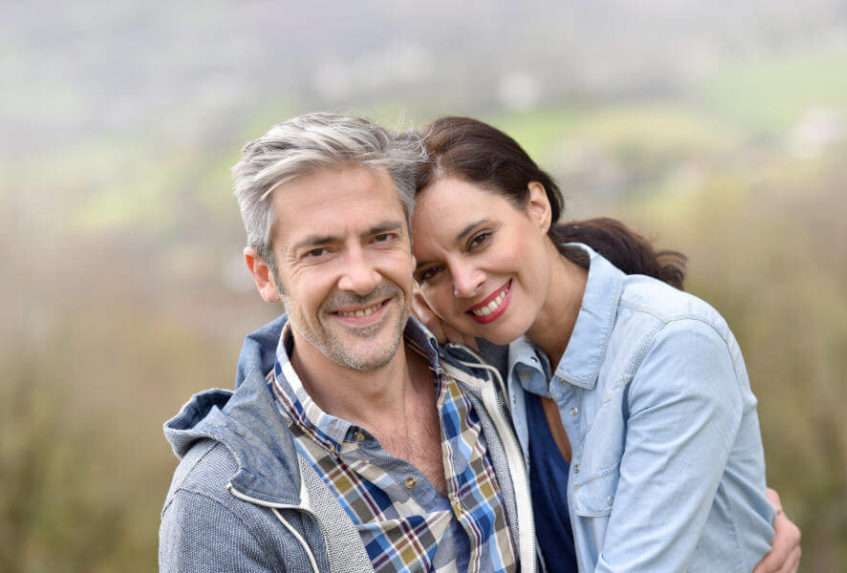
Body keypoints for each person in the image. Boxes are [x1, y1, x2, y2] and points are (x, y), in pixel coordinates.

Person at [409, 116, 802, 572]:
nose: (465, 283)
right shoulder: (487, 370)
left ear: (537, 207)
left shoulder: (671, 343)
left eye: (479, 240)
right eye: (431, 271)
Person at [158, 113, 538, 572]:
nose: (360, 278)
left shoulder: (494, 370)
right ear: (264, 274)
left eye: (382, 238)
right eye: (320, 251)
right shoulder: (219, 504)